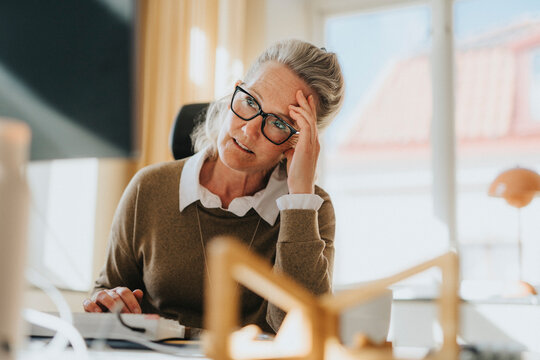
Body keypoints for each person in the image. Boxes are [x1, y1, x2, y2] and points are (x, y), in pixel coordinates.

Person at [83, 39, 344, 334]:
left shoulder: (311, 208)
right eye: (249, 101)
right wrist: (107, 302)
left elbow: (303, 330)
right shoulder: (149, 187)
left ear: (299, 142)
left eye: (279, 124)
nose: (248, 130)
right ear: (235, 91)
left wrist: (299, 199)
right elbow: (106, 294)